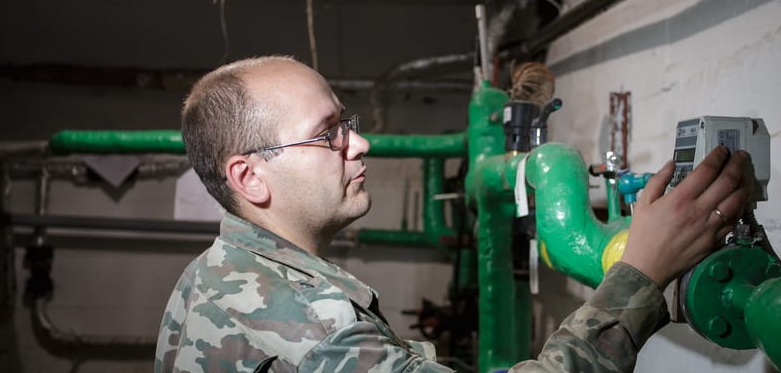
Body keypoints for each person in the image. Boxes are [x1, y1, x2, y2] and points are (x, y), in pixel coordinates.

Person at [155, 56, 754, 372]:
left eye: (347, 124)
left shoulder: (213, 274)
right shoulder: (308, 322)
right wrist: (640, 274)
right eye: (327, 133)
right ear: (249, 177)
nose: (359, 144)